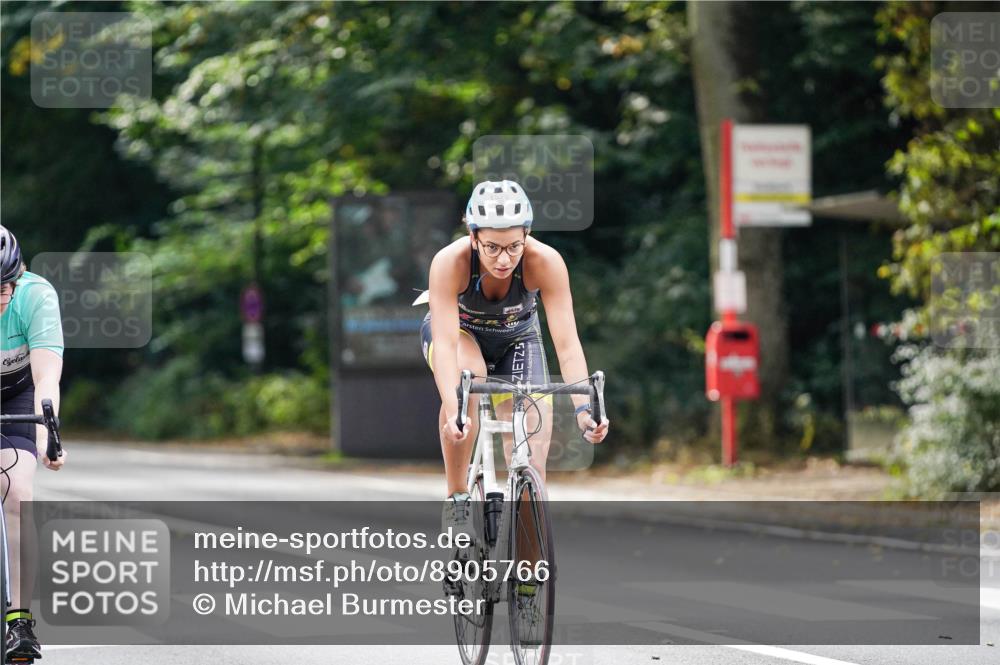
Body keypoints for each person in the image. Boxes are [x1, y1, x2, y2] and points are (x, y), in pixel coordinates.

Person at [418, 180, 610, 534]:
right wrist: (454, 409)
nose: (504, 259)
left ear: (527, 234)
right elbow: (445, 345)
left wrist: (585, 410)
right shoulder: (450, 262)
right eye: (491, 247)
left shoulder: (546, 262)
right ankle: (457, 495)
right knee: (470, 375)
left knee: (532, 459)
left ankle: (527, 569)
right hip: (461, 336)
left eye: (513, 246)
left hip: (517, 337)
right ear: (473, 236)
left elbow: (567, 344)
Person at [0, 224, 65, 661]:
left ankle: (19, 621)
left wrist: (46, 435)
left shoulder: (35, 296)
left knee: (18, 494)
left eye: (6, 285)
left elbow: (46, 378)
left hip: (17, 394)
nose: (1, 297)